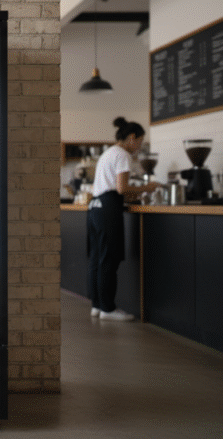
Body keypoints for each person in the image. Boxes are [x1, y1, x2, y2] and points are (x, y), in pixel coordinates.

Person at [87, 118, 161, 321]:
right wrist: (147, 188)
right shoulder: (123, 155)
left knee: (96, 260)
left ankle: (97, 305)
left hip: (94, 207)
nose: (139, 147)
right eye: (140, 142)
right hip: (108, 209)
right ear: (131, 138)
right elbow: (122, 188)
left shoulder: (108, 153)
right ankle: (108, 309)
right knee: (108, 260)